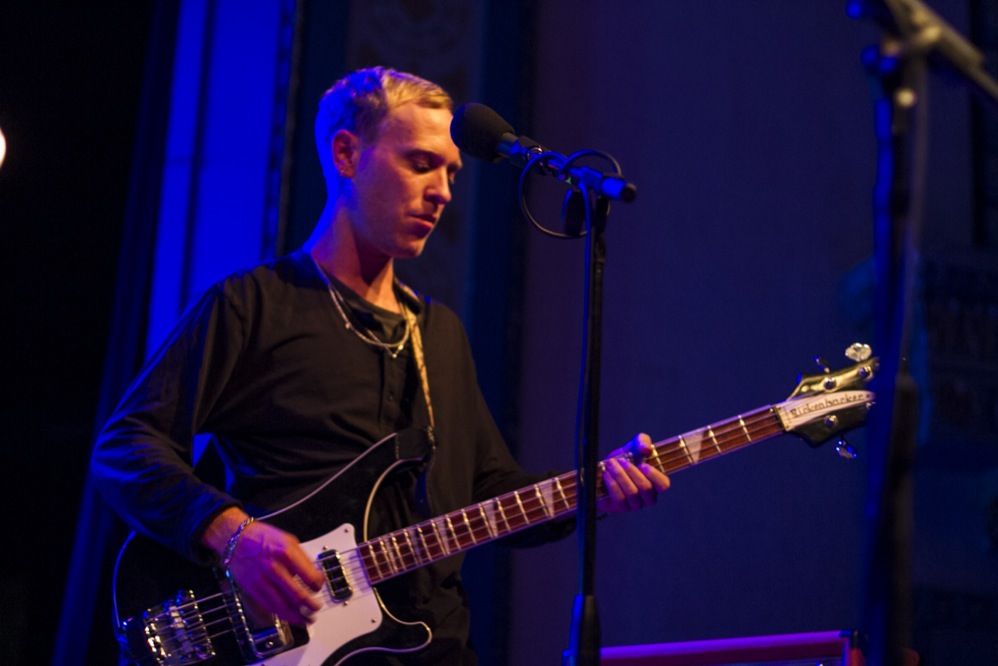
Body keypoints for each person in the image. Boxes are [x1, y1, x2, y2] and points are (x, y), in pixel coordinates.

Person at [91, 66, 670, 665]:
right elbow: (125, 445)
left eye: (450, 173)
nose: (444, 192)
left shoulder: (439, 332)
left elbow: (490, 493)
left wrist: (594, 490)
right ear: (346, 154)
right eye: (421, 164)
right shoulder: (252, 306)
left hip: (434, 646)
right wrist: (233, 535)